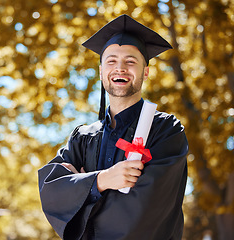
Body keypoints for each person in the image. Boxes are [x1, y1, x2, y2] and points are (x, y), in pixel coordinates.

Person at [38, 14, 188, 240]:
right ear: (100, 72)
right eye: (111, 61)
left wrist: (82, 187)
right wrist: (102, 180)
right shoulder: (83, 137)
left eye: (130, 61)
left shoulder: (166, 131)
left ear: (145, 71)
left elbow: (146, 210)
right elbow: (51, 190)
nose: (120, 68)